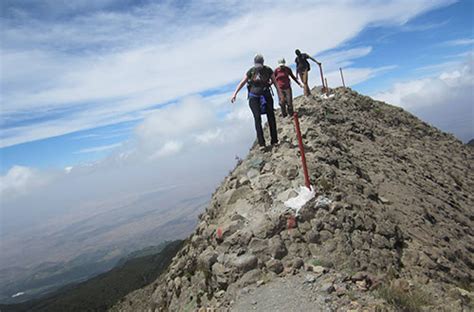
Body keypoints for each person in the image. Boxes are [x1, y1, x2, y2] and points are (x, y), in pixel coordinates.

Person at [231, 54, 283, 150]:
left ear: (262, 63)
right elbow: (242, 82)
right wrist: (235, 93)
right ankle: (262, 144)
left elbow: (275, 83)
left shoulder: (268, 70)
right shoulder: (251, 71)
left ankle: (274, 141)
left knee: (271, 116)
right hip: (254, 97)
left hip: (266, 95)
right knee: (257, 118)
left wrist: (280, 95)